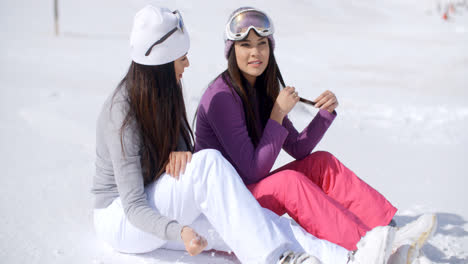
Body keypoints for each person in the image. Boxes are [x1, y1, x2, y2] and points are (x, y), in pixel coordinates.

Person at [90, 5, 381, 264]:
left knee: (265, 226)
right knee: (219, 167)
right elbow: (134, 205)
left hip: (173, 204)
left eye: (262, 44)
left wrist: (323, 115)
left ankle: (351, 256)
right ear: (162, 63)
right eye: (181, 58)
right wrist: (180, 230)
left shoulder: (169, 91)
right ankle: (277, 258)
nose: (188, 64)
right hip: (124, 220)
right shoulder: (123, 115)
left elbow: (176, 168)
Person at [194, 6, 437, 256]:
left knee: (321, 162)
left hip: (248, 191)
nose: (255, 52)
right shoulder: (222, 97)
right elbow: (252, 169)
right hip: (226, 205)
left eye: (262, 43)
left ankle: (386, 230)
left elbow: (299, 149)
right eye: (245, 45)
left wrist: (324, 115)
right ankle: (363, 246)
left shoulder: (260, 91)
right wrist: (277, 115)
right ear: (231, 50)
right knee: (289, 183)